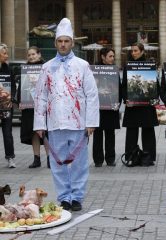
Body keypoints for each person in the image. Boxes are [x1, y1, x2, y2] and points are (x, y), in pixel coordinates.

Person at [34, 18, 99, 211]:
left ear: (72, 43)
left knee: (79, 163)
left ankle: (77, 197)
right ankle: (64, 197)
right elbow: (41, 96)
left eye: (66, 41)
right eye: (60, 41)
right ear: (55, 43)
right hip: (55, 124)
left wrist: (91, 122)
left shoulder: (83, 65)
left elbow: (92, 95)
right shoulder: (47, 67)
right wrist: (40, 124)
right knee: (57, 163)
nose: (63, 44)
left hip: (78, 123)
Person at [122, 42, 158, 166]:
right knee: (132, 132)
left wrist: (155, 98)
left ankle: (149, 157)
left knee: (148, 131)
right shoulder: (128, 66)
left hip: (147, 105)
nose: (133, 53)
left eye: (136, 50)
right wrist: (126, 99)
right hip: (132, 105)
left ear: (142, 51)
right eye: (132, 51)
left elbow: (155, 85)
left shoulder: (150, 65)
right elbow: (124, 86)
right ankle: (131, 156)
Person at [19, 46, 50, 168]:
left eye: (33, 54)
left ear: (39, 54)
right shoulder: (25, 69)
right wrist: (20, 101)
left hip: (44, 106)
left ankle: (49, 159)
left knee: (46, 132)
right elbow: (21, 86)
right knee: (33, 133)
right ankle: (36, 159)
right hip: (29, 106)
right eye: (29, 55)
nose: (31, 57)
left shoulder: (46, 67)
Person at [92, 47, 121, 167]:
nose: (112, 58)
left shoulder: (114, 70)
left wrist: (118, 102)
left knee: (110, 133)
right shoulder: (94, 70)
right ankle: (98, 160)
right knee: (97, 134)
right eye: (110, 56)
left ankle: (110, 158)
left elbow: (118, 88)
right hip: (97, 107)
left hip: (111, 106)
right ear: (103, 57)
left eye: (113, 56)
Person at [0, 43, 16, 168]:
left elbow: (13, 86)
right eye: (4, 53)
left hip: (6, 105)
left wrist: (12, 98)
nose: (7, 55)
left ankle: (10, 158)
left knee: (7, 133)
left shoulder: (9, 69)